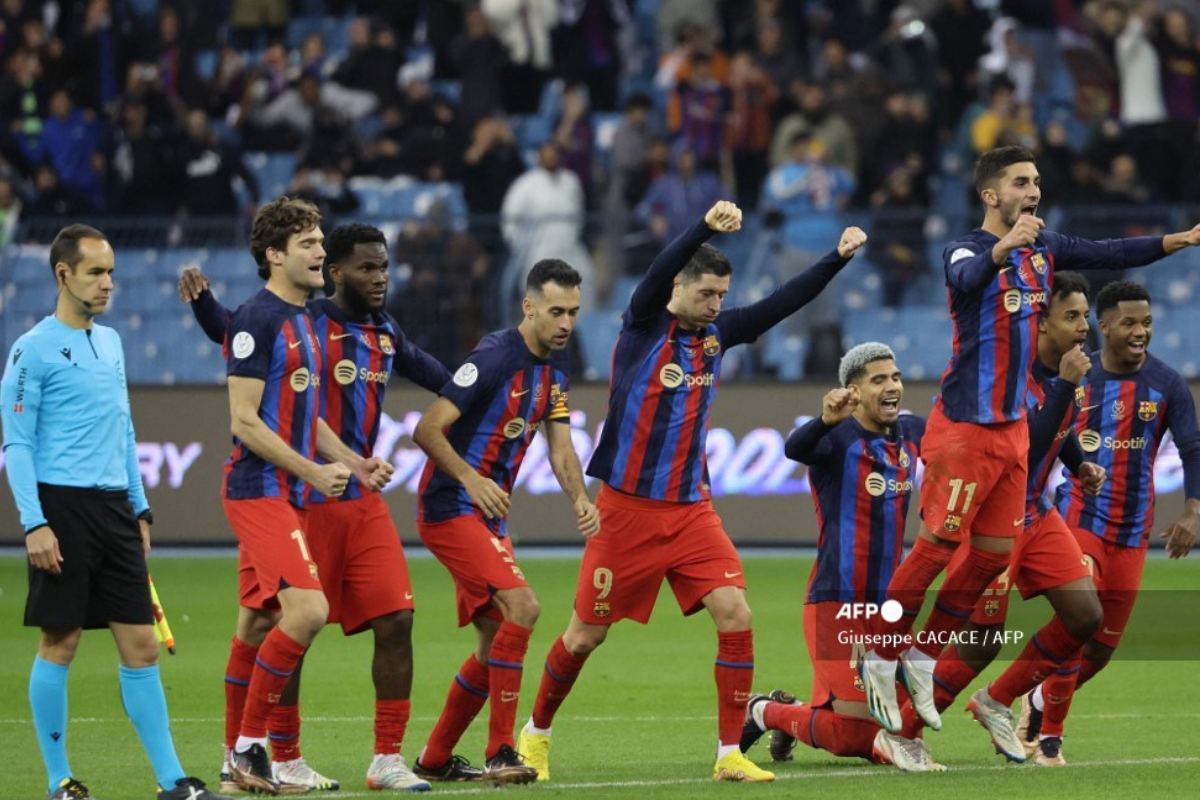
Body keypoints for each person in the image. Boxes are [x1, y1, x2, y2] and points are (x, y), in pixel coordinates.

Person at [516, 201, 866, 783]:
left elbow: (781, 305)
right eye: (706, 295)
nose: (716, 306)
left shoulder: (717, 335)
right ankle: (535, 736)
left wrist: (835, 260)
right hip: (626, 511)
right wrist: (701, 227)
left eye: (723, 296)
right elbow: (656, 271)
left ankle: (730, 752)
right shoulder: (644, 325)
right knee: (584, 637)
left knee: (736, 613)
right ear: (680, 287)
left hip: (692, 511)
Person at [858, 145, 1200, 737]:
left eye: (1037, 180)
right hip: (965, 426)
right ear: (992, 195)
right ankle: (878, 651)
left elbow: (1112, 252)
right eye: (1021, 181)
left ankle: (920, 656)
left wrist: (1180, 239)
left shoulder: (1046, 249)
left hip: (1011, 432)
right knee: (937, 547)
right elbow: (967, 274)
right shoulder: (965, 250)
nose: (1033, 189)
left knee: (990, 555)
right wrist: (1003, 246)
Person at [179, 222, 453, 791]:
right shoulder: (301, 317)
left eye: (384, 267)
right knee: (279, 621)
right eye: (366, 267)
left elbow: (430, 375)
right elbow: (239, 342)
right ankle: (268, 754)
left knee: (394, 617)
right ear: (332, 272)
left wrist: (355, 462)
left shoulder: (376, 329)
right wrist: (207, 307)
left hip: (349, 490)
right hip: (294, 493)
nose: (379, 278)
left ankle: (380, 759)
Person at [0, 225, 232, 800]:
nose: (108, 285)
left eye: (111, 274)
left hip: (114, 512)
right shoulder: (32, 348)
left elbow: (124, 428)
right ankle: (59, 780)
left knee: (143, 645)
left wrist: (140, 505)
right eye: (96, 273)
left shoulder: (111, 343)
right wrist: (34, 522)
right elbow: (18, 444)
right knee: (61, 642)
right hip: (62, 508)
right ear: (63, 275)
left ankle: (171, 780)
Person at [891, 272, 1107, 764]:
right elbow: (1023, 455)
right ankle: (904, 732)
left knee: (1085, 616)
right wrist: (1066, 387)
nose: (1081, 327)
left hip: (1038, 512)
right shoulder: (1012, 376)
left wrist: (1078, 463)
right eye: (1070, 316)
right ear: (1042, 321)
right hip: (989, 517)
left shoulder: (1066, 371)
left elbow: (1056, 433)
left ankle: (996, 699)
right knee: (983, 639)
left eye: (1084, 316)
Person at [217, 198, 393, 794]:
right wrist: (316, 475)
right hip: (258, 489)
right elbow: (245, 421)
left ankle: (232, 758)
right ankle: (249, 748)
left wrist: (351, 461)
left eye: (321, 242)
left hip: (287, 490)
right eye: (309, 244)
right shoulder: (256, 320)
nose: (321, 252)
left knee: (257, 621)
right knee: (309, 611)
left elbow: (303, 414)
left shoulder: (307, 322)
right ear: (274, 256)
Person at [411, 259, 600, 785]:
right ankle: (500, 751)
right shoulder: (493, 357)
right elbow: (428, 430)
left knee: (493, 640)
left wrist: (580, 498)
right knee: (524, 605)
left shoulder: (556, 370)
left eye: (575, 312)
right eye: (556, 311)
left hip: (487, 517)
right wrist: (472, 479)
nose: (566, 322)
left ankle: (434, 759)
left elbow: (560, 446)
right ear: (529, 307)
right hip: (451, 507)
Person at [739, 343, 944, 773]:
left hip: (891, 608)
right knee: (859, 738)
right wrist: (824, 420)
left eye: (896, 377)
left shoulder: (911, 432)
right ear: (852, 390)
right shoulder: (836, 438)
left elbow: (957, 439)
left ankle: (792, 712)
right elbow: (795, 448)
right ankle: (763, 711)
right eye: (878, 380)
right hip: (837, 604)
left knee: (906, 723)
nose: (892, 387)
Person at [1025, 281, 1200, 761]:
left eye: (1146, 322)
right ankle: (1050, 741)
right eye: (1129, 323)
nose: (1140, 331)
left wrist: (1192, 508)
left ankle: (1037, 700)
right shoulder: (1077, 376)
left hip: (1133, 530)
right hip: (1079, 517)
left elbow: (1192, 449)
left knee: (1099, 652)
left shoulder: (1167, 384)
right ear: (1102, 327)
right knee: (1078, 624)